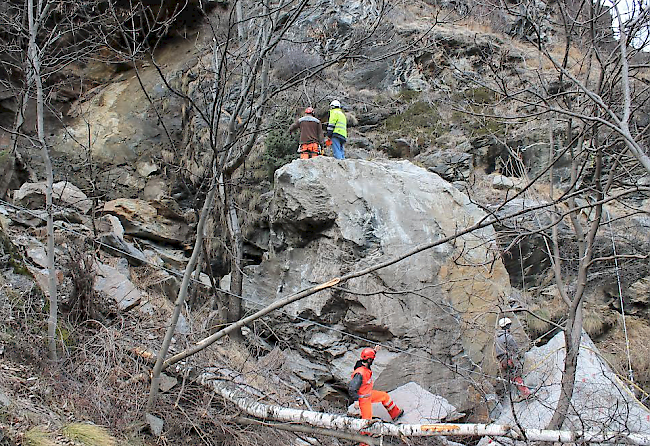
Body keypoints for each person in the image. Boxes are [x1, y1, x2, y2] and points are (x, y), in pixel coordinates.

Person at [349, 346, 404, 437]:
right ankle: (364, 443)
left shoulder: (361, 364)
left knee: (384, 397)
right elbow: (352, 388)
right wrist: (356, 401)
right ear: (369, 360)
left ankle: (395, 413)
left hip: (368, 393)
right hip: (363, 399)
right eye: (372, 359)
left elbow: (366, 358)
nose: (373, 361)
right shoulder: (359, 373)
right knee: (367, 422)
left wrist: (374, 351)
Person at [495, 317, 531, 401]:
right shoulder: (508, 337)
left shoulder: (497, 339)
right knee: (517, 375)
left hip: (503, 362)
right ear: (508, 326)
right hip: (509, 360)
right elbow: (516, 349)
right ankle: (526, 393)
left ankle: (519, 393)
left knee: (512, 377)